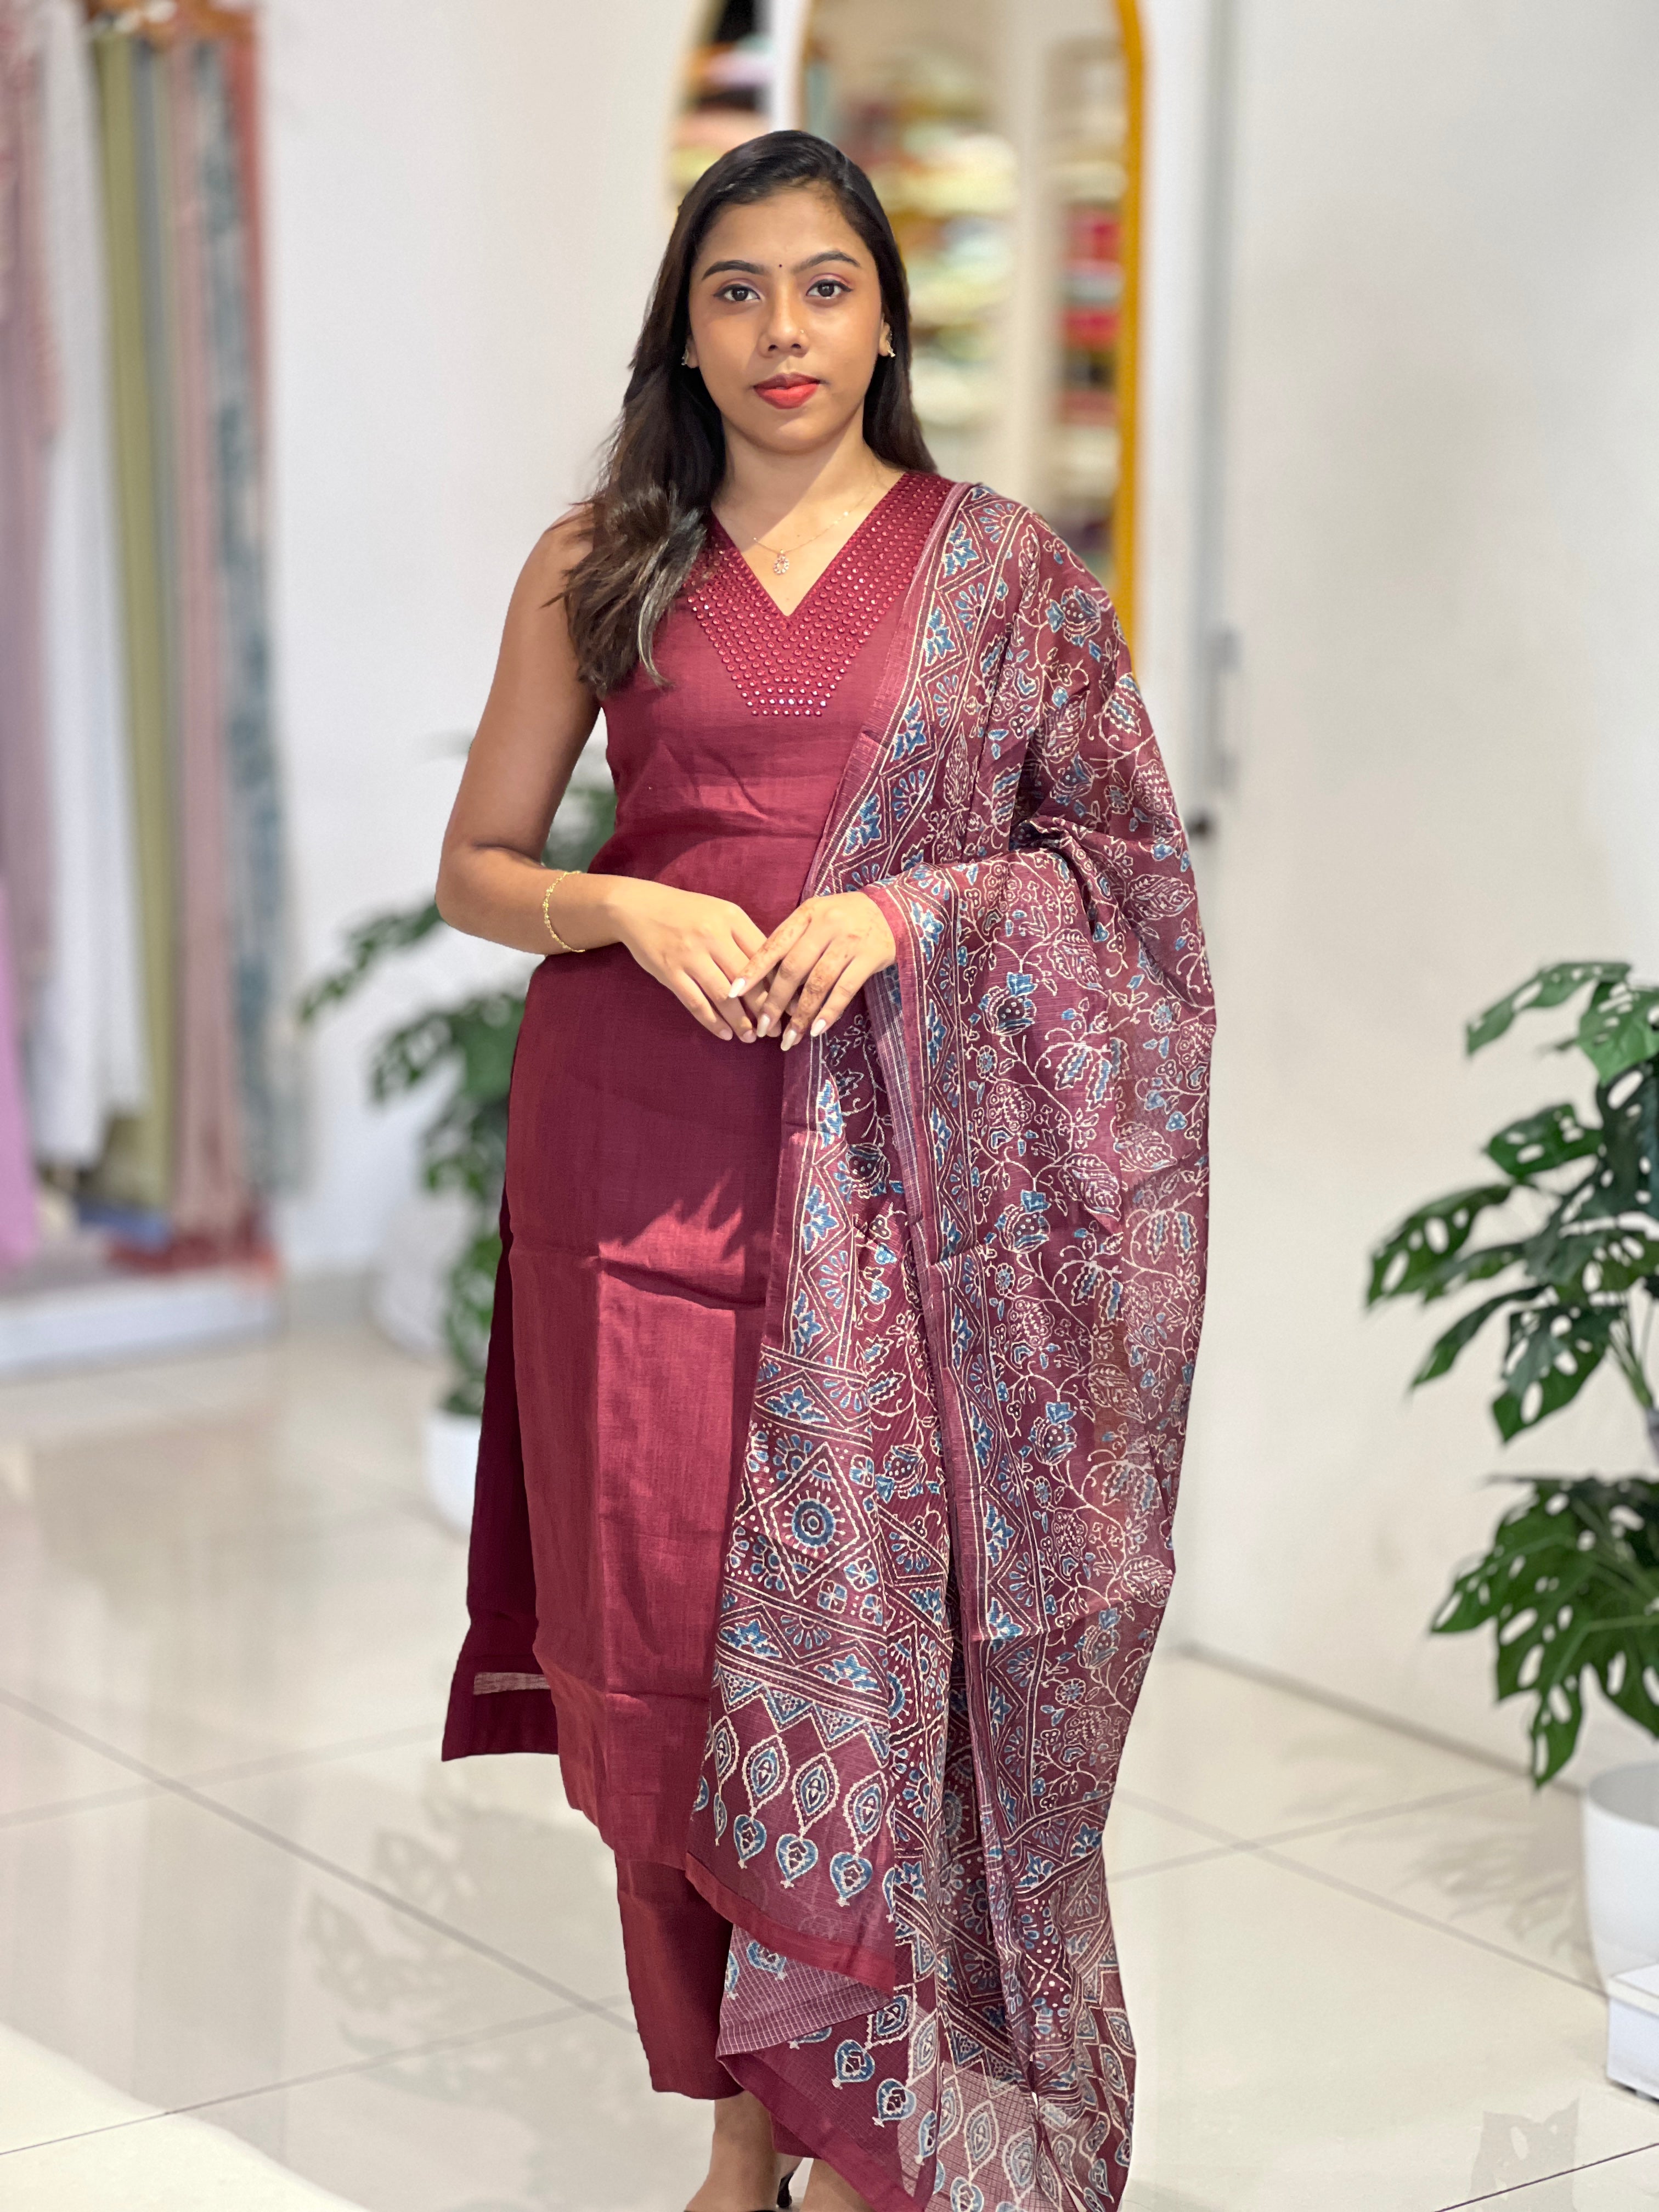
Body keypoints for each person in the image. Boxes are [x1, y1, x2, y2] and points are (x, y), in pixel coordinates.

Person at [436, 131, 1212, 2212]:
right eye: (736, 290)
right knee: (667, 1648)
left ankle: (867, 2121)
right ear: (683, 334)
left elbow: (1126, 880)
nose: (782, 330)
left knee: (873, 1651)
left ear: (885, 322)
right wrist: (623, 908)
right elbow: (478, 868)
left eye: (824, 285)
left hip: (905, 1207)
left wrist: (905, 916)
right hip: (638, 1177)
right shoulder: (602, 559)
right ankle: (736, 2129)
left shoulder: (1004, 573)